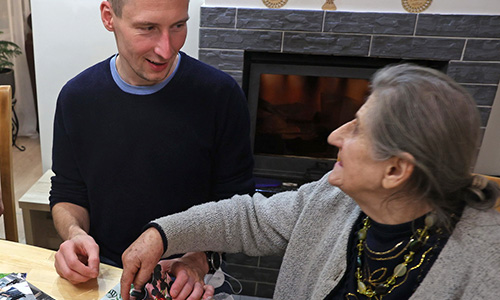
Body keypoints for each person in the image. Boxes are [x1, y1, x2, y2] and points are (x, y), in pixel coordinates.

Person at [120, 63, 500, 300]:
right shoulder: (333, 196)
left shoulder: (486, 265)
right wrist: (162, 234)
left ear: (396, 171)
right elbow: (251, 218)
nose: (334, 135)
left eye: (356, 130)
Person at [49, 0, 254, 298]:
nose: (166, 49)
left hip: (192, 276)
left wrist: (199, 259)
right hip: (105, 274)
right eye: (148, 28)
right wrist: (75, 235)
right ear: (109, 17)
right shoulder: (76, 98)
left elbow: (238, 206)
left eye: (178, 26)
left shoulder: (220, 95)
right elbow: (68, 192)